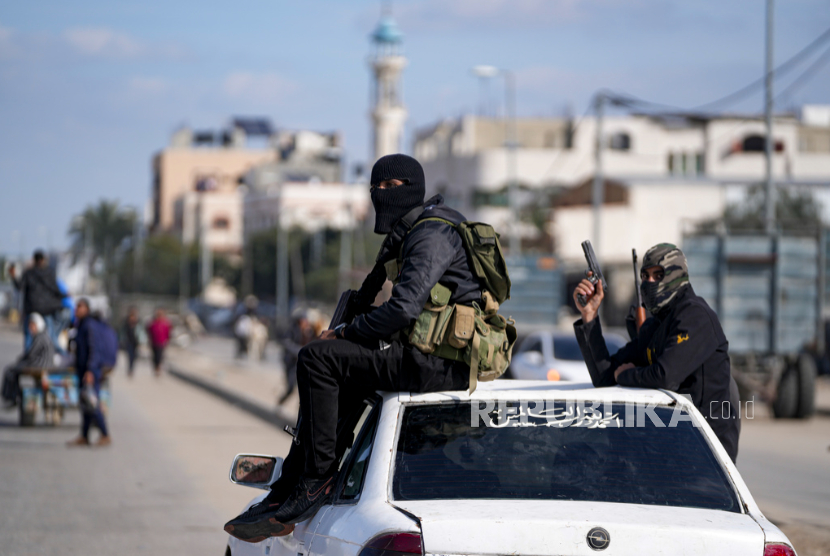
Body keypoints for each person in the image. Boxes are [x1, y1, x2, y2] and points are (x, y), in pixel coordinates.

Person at [225, 154, 483, 543]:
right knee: (339, 368)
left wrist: (345, 334)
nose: (381, 194)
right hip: (427, 355)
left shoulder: (430, 234)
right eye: (375, 188)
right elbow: (372, 298)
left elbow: (404, 307)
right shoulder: (408, 231)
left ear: (413, 188)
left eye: (390, 187)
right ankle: (294, 481)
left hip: (441, 363)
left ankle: (316, 478)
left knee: (316, 358)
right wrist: (349, 327)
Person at [572, 243, 740, 462]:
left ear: (677, 276)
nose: (650, 282)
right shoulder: (655, 326)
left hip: (705, 454)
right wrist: (589, 316)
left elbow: (665, 376)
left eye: (658, 275)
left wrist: (625, 375)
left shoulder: (695, 316)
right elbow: (604, 375)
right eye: (645, 276)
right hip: (667, 444)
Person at [67, 299, 111, 447]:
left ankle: (105, 434)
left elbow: (94, 350)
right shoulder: (81, 325)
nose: (76, 309)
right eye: (76, 307)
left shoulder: (90, 326)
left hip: (90, 371)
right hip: (82, 370)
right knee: (85, 404)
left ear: (86, 309)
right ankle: (84, 436)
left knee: (93, 403)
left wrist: (91, 371)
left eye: (80, 307)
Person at [9, 250, 65, 350]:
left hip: (32, 309)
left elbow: (19, 286)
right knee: (50, 336)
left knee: (29, 338)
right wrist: (64, 297)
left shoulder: (29, 273)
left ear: (34, 260)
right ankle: (55, 357)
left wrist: (13, 276)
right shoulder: (49, 272)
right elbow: (55, 289)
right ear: (43, 260)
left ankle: (28, 361)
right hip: (47, 310)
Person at [2, 313, 55, 407]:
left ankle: (12, 397)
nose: (31, 328)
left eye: (32, 325)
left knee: (11, 371)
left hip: (39, 365)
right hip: (43, 364)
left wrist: (20, 360)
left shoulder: (40, 337)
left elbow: (31, 354)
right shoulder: (44, 335)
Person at [146, 308, 171, 376]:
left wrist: (167, 340)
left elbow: (168, 333)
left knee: (160, 356)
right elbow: (149, 331)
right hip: (154, 342)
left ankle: (158, 368)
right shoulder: (153, 323)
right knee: (154, 356)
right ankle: (155, 367)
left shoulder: (165, 323)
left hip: (161, 342)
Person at [121, 307, 141, 377]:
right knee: (129, 356)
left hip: (135, 342)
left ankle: (131, 369)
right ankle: (130, 369)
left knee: (134, 356)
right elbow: (122, 331)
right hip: (128, 342)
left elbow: (140, 332)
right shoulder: (126, 322)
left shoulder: (138, 322)